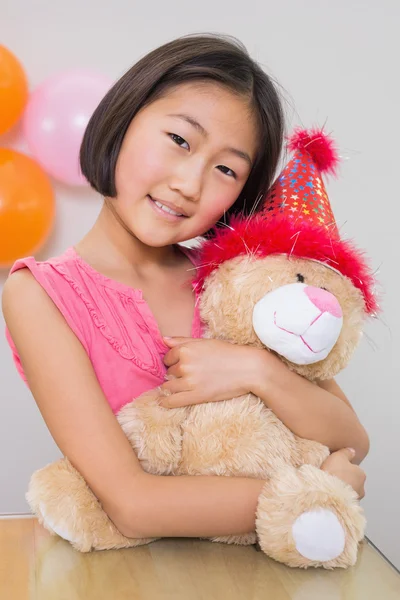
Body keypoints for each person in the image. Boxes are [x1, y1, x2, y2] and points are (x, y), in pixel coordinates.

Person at [2, 33, 368, 541]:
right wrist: (314, 495)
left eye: (225, 169)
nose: (189, 184)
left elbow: (351, 437)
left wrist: (255, 369)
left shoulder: (234, 281)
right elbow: (134, 505)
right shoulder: (38, 295)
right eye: (179, 140)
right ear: (123, 120)